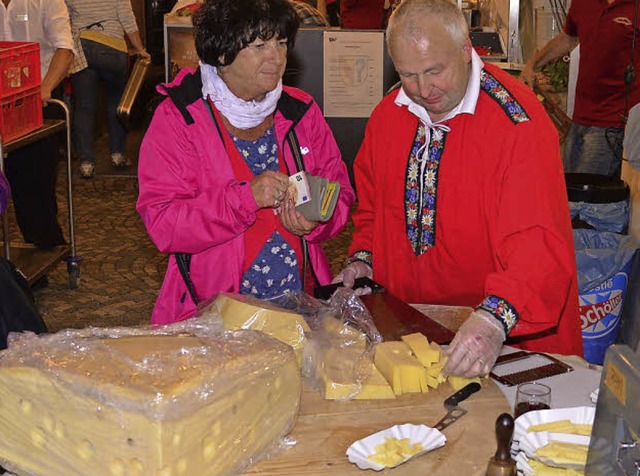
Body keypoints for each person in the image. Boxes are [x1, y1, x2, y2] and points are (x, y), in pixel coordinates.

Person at [333, 0, 583, 377]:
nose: (423, 89)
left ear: (467, 50)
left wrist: (493, 320)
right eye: (408, 74)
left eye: (435, 71)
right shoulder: (388, 116)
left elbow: (539, 244)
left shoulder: (519, 126)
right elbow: (372, 210)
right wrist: (363, 261)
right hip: (412, 336)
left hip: (500, 341)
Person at [137, 0, 355, 325]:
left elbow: (341, 195)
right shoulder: (179, 116)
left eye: (281, 42)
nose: (277, 57)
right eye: (260, 45)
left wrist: (316, 219)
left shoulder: (301, 111)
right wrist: (246, 198)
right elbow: (164, 222)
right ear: (223, 53)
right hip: (212, 315)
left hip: (300, 309)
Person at [521, 0, 640, 177]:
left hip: (614, 123)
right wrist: (533, 64)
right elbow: (568, 38)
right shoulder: (583, 2)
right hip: (579, 118)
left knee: (586, 198)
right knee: (570, 190)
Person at [1, 0, 74, 250]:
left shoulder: (46, 1)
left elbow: (64, 49)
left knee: (34, 188)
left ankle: (45, 249)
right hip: (1, 105)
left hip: (40, 106)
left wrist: (43, 89)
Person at [66, 0, 150, 178]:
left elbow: (65, 17)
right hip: (112, 48)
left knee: (84, 107)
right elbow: (127, 18)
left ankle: (86, 162)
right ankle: (117, 154)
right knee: (116, 102)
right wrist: (139, 48)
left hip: (82, 47)